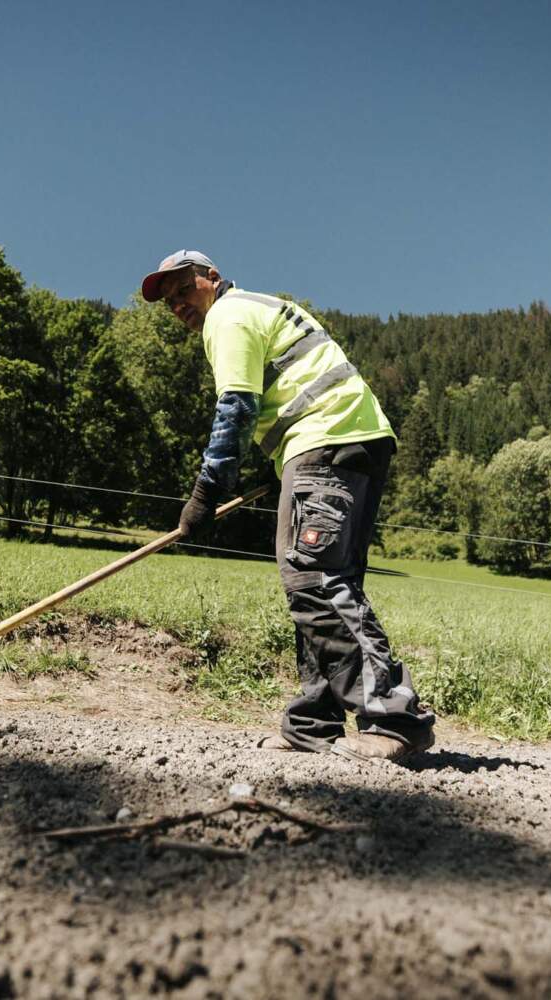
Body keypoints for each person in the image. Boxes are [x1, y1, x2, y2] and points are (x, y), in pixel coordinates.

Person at [140, 250, 436, 761]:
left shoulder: (227, 317)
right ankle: (312, 724)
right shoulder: (261, 307)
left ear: (212, 278)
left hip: (325, 442)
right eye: (169, 302)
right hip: (354, 441)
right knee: (325, 581)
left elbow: (236, 407)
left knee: (313, 580)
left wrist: (206, 494)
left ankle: (395, 718)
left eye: (184, 289)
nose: (179, 305)